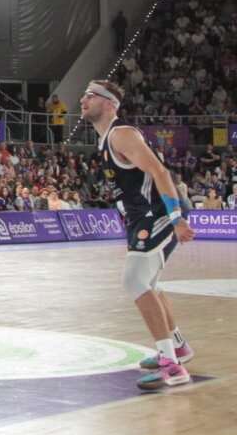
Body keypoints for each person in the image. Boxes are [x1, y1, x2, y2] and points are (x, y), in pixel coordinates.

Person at [82, 79, 196, 391]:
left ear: (109, 104)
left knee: (134, 280)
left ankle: (170, 365)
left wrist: (176, 218)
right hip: (140, 216)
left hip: (156, 213)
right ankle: (178, 347)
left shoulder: (122, 134)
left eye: (90, 96)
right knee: (151, 284)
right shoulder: (106, 139)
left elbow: (160, 172)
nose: (83, 100)